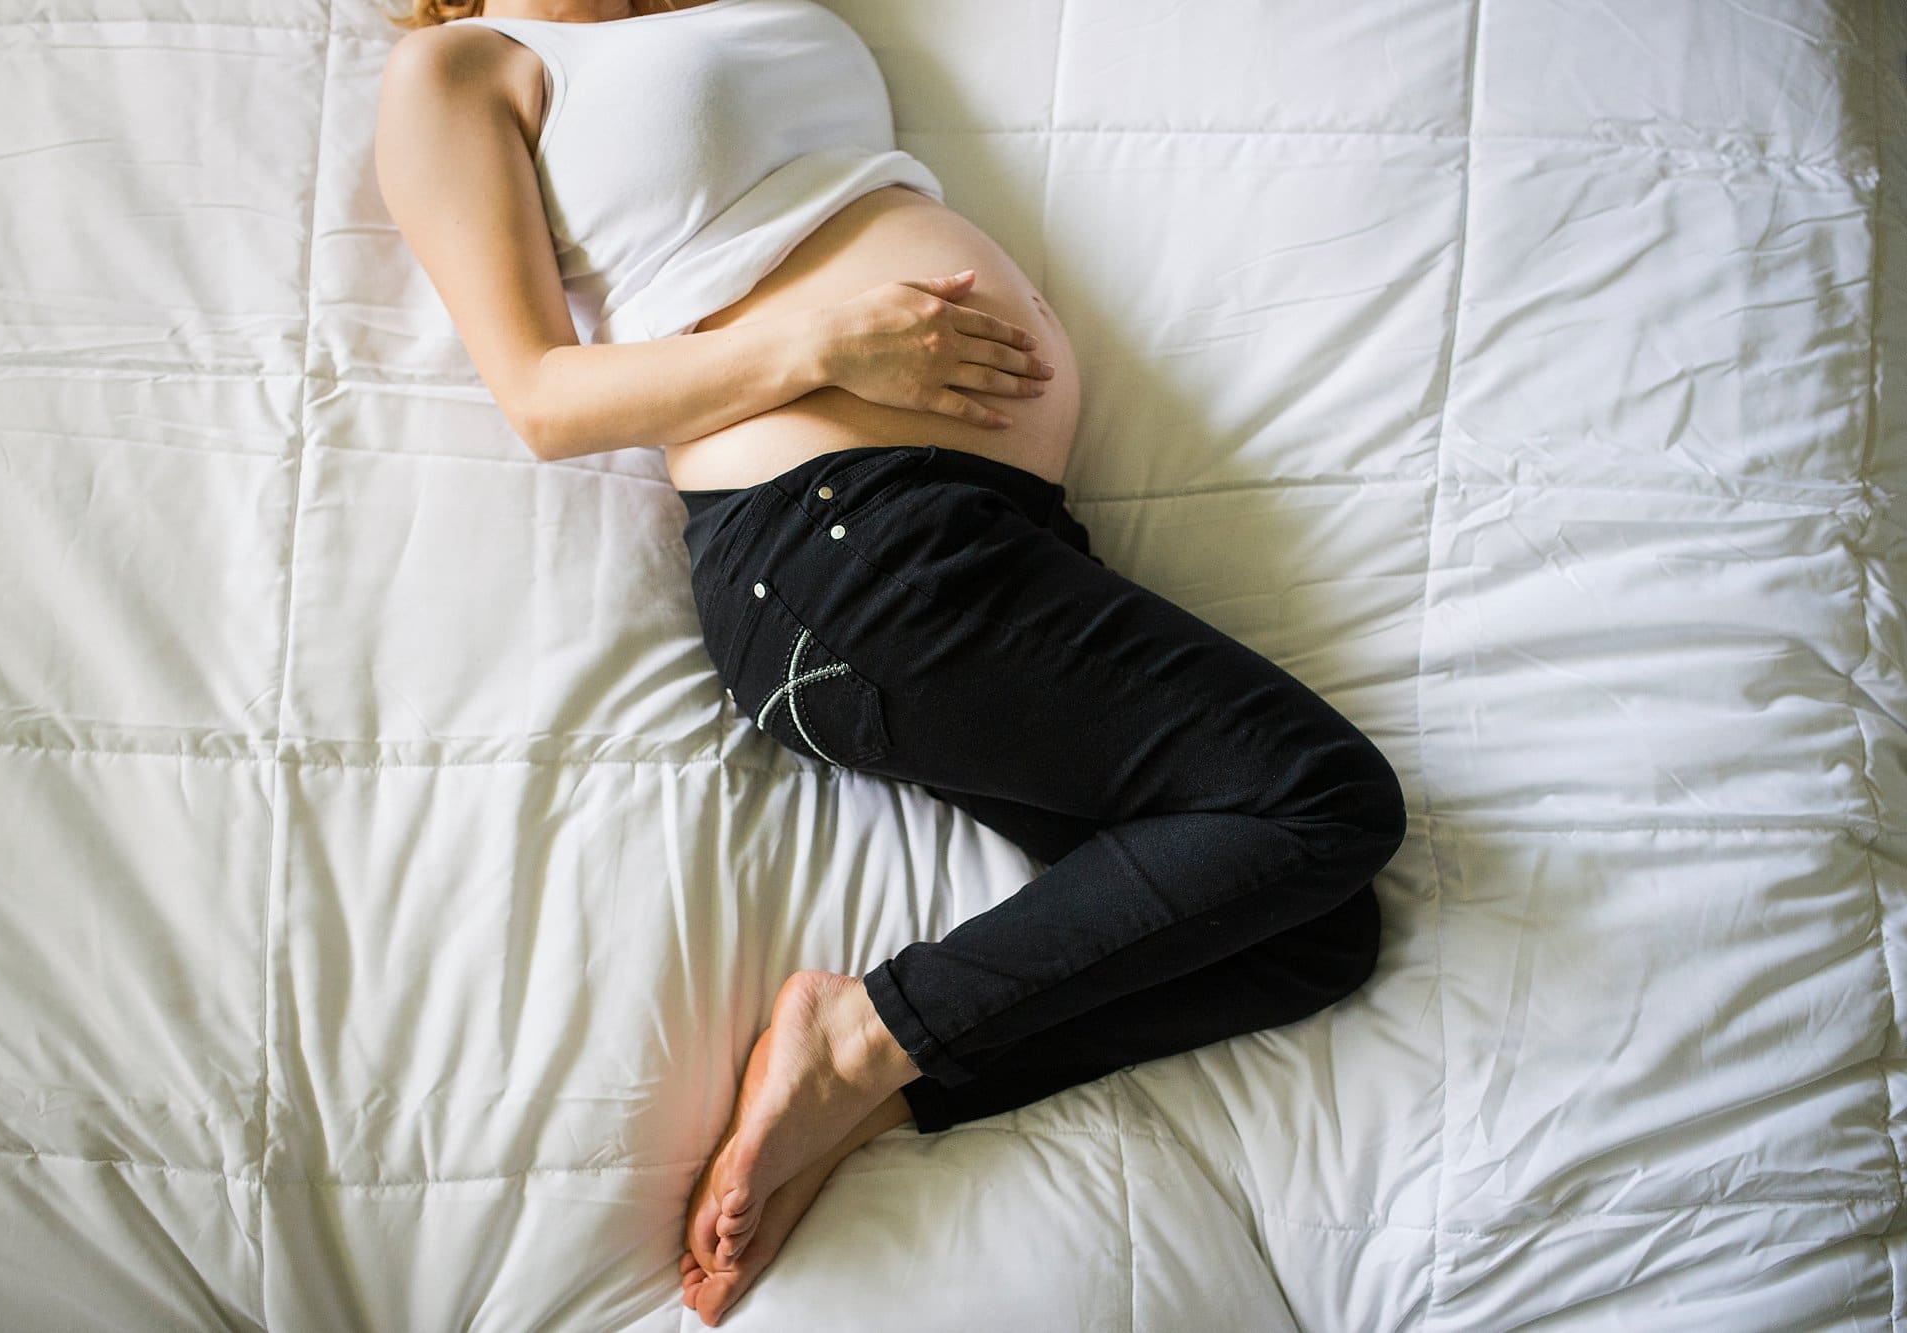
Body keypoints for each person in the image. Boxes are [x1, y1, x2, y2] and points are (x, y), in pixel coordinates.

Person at [375, 1, 1407, 1324]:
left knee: (1315, 934)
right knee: (1325, 799)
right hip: (832, 551)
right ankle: (861, 1034)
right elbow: (541, 397)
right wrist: (821, 345)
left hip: (965, 538)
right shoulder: (468, 67)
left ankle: (881, 1072)